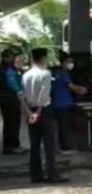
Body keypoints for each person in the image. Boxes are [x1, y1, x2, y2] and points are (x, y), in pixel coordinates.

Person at [22, 48, 67, 184]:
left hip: (30, 109)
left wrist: (30, 113)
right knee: (50, 144)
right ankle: (52, 174)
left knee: (34, 145)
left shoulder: (26, 75)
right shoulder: (46, 74)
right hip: (44, 111)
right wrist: (38, 112)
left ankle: (35, 175)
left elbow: (23, 95)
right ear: (43, 58)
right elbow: (44, 95)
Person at [51, 52, 87, 155]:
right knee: (64, 127)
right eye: (70, 62)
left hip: (57, 103)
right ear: (65, 62)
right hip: (63, 103)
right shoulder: (63, 73)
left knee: (61, 126)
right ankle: (65, 148)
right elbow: (70, 86)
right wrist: (82, 90)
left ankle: (61, 147)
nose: (72, 64)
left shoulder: (55, 72)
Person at [0, 49, 24, 154]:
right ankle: (13, 146)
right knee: (13, 121)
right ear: (6, 57)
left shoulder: (5, 68)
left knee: (8, 122)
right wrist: (19, 91)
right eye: (12, 56)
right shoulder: (8, 69)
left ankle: (8, 146)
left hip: (4, 98)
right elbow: (12, 82)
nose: (14, 58)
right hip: (10, 98)